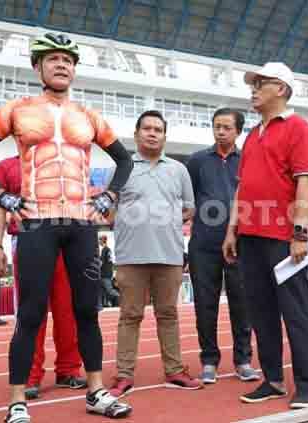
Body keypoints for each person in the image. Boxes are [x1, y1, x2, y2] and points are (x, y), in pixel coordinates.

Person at [0, 33, 134, 421]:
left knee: (86, 311)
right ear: (37, 67)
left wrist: (109, 196)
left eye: (68, 60)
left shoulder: (89, 116)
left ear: (74, 70)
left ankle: (95, 392)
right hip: (37, 222)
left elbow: (124, 162)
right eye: (53, 59)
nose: (61, 65)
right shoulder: (17, 110)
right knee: (30, 312)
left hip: (81, 223)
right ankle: (17, 401)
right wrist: (1, 197)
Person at [222, 62, 308, 409]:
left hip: (282, 237)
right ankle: (274, 379)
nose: (254, 88)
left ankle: (307, 384)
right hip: (250, 236)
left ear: (281, 88)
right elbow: (242, 187)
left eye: (261, 83)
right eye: (254, 83)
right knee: (261, 313)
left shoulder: (298, 128)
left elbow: (304, 182)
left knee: (296, 312)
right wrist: (232, 229)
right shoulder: (251, 135)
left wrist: (300, 233)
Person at [108, 110, 202, 397]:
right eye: (146, 128)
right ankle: (124, 375)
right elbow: (110, 209)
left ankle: (174, 370)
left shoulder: (179, 170)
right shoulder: (122, 167)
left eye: (158, 129)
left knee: (169, 314)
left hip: (169, 255)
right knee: (129, 316)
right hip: (130, 255)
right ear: (136, 134)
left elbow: (188, 209)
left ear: (164, 136)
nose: (152, 133)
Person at [0, 155, 86, 400]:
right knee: (31, 312)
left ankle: (68, 369)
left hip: (67, 243)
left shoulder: (65, 162)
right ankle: (29, 375)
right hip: (28, 241)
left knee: (68, 310)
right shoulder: (7, 166)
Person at [186, 107, 260, 384]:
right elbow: (189, 200)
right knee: (205, 304)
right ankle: (208, 360)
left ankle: (243, 360)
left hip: (241, 245)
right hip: (204, 244)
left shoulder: (249, 160)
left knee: (243, 305)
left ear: (238, 131)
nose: (221, 131)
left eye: (227, 127)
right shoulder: (197, 161)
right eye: (217, 126)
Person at [99, 235, 119, 308]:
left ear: (102, 241)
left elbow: (101, 262)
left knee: (109, 290)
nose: (99, 242)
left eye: (100, 240)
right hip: (107, 272)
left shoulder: (104, 250)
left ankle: (122, 297)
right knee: (103, 291)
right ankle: (104, 304)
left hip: (105, 273)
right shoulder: (108, 249)